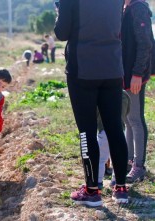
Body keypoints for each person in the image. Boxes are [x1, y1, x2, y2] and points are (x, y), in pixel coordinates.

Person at [55, 0, 129, 206]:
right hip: (113, 67)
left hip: (83, 68)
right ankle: (121, 188)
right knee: (114, 127)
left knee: (86, 131)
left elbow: (61, 33)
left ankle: (92, 190)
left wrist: (59, 10)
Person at [122, 0, 153, 184]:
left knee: (135, 118)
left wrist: (137, 74)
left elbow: (145, 44)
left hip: (134, 74)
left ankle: (139, 166)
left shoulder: (138, 8)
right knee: (127, 119)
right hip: (125, 73)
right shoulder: (125, 8)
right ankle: (129, 161)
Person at [97, 90, 130, 189]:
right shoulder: (124, 95)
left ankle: (98, 181)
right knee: (118, 157)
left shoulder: (99, 94)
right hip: (120, 131)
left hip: (104, 131)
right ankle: (116, 180)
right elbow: (127, 111)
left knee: (100, 159)